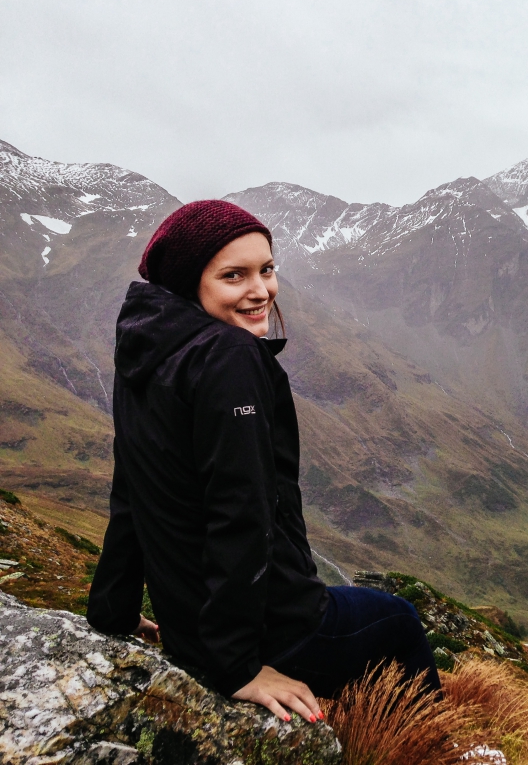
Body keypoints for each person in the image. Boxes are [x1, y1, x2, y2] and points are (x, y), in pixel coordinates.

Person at [87, 200, 440, 723]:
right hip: (263, 632)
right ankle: (437, 751)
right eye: (234, 276)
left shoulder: (146, 349)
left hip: (190, 623)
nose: (261, 290)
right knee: (397, 619)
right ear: (191, 281)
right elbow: (242, 514)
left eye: (267, 269)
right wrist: (238, 667)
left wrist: (111, 612)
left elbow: (130, 493)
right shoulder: (228, 356)